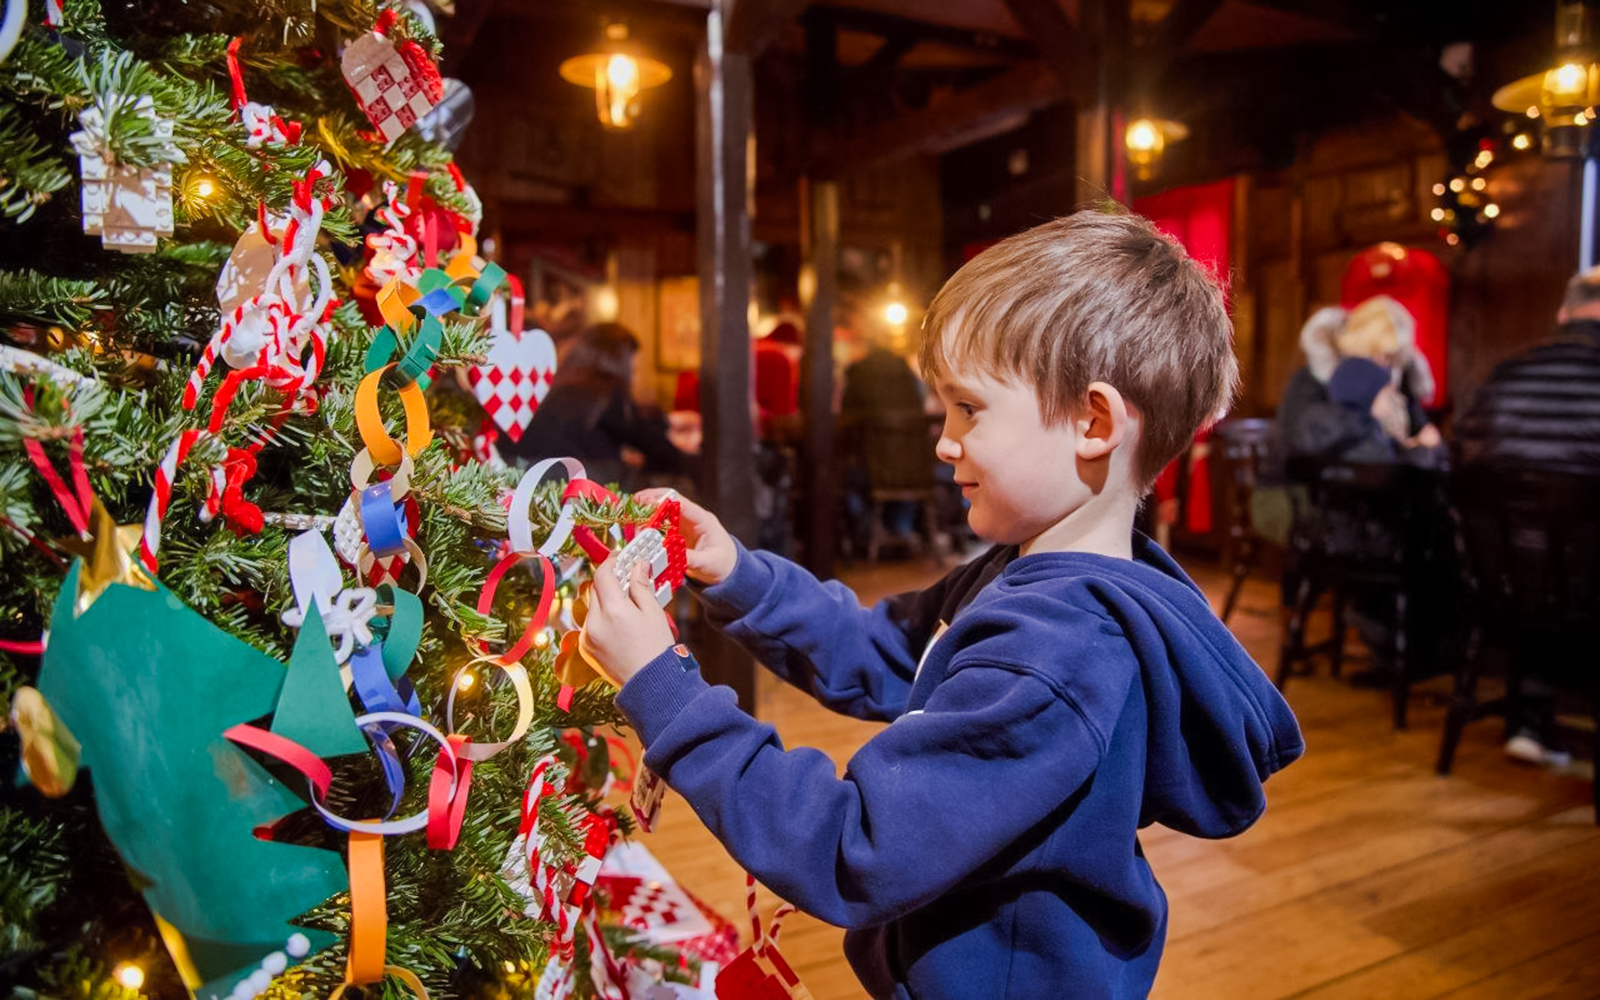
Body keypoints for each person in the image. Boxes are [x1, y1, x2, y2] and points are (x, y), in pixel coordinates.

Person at [580, 210, 1304, 999]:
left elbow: (851, 847)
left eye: (969, 409)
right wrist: (738, 574)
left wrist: (664, 688)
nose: (944, 441)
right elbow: (885, 652)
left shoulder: (1057, 653)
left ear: (1093, 423)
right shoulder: (1021, 576)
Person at [1453, 266, 1600, 767]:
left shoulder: (1506, 371)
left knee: (1539, 577)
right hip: (1584, 591)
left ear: (1563, 312)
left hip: (1502, 583)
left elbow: (1461, 455)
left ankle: (1530, 719)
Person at [499, 322, 692, 489]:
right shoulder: (607, 393)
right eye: (634, 369)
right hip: (570, 490)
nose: (636, 377)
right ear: (619, 365)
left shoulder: (559, 387)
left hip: (524, 481)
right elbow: (663, 453)